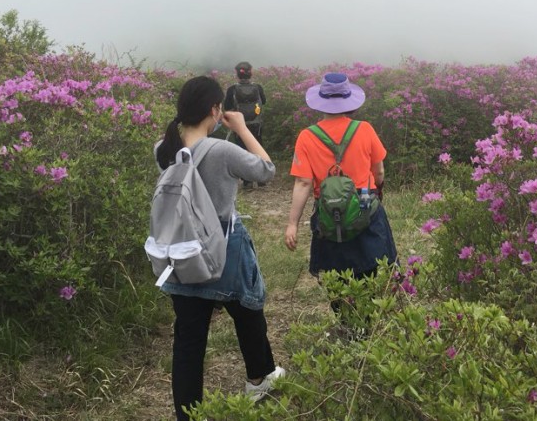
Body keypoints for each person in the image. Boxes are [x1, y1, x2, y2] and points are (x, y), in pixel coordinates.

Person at [154, 76, 284, 421]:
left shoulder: (163, 149)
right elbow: (266, 170)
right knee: (248, 312)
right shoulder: (221, 151)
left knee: (188, 340)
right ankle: (258, 378)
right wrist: (241, 128)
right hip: (223, 249)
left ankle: (188, 414)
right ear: (215, 110)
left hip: (181, 251)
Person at [284, 72, 398, 288]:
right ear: (349, 100)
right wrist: (378, 190)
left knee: (337, 279)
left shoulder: (307, 136)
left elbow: (303, 183)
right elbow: (379, 172)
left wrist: (292, 224)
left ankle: (343, 309)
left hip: (330, 214)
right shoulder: (364, 129)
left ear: (320, 101)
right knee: (375, 272)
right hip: (365, 206)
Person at [224, 61, 267, 187]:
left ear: (237, 74)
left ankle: (247, 181)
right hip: (256, 124)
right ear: (251, 73)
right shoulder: (258, 87)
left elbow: (227, 106)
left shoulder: (232, 89)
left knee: (243, 151)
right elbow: (263, 101)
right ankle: (261, 179)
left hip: (240, 124)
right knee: (258, 148)